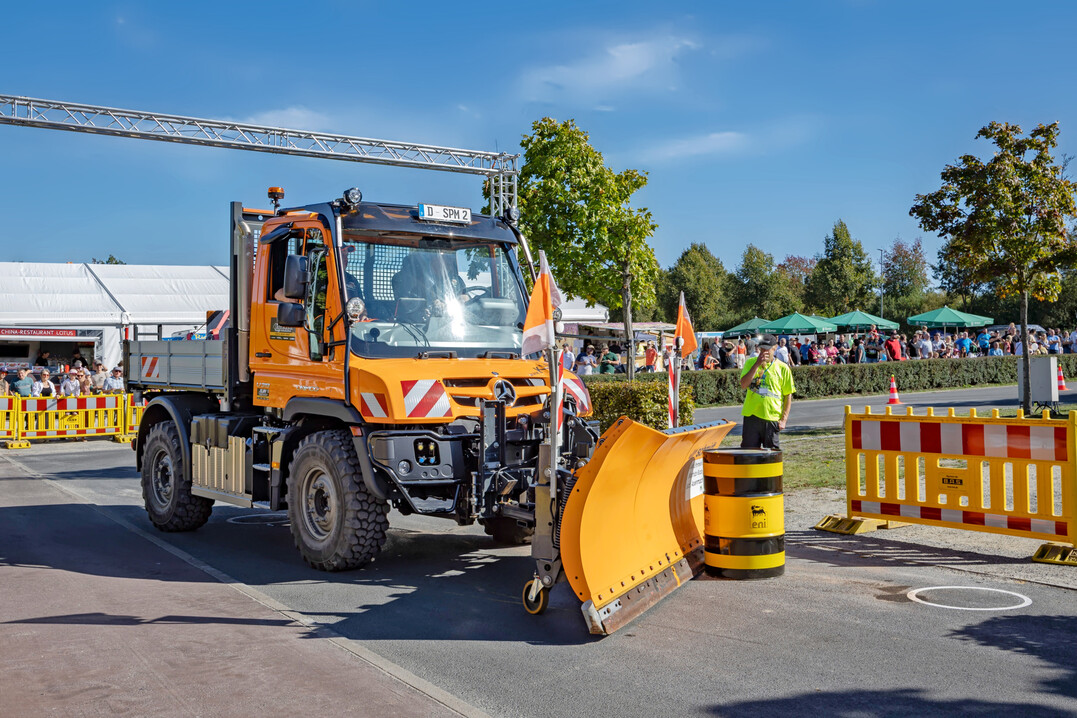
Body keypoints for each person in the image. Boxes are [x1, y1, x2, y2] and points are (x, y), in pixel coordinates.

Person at [739, 334, 795, 450]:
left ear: (775, 348)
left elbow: (788, 395)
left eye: (767, 349)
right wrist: (756, 364)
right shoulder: (751, 363)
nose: (764, 352)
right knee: (749, 454)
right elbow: (744, 385)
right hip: (752, 416)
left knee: (771, 455)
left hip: (772, 417)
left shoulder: (783, 368)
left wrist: (784, 420)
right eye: (761, 349)